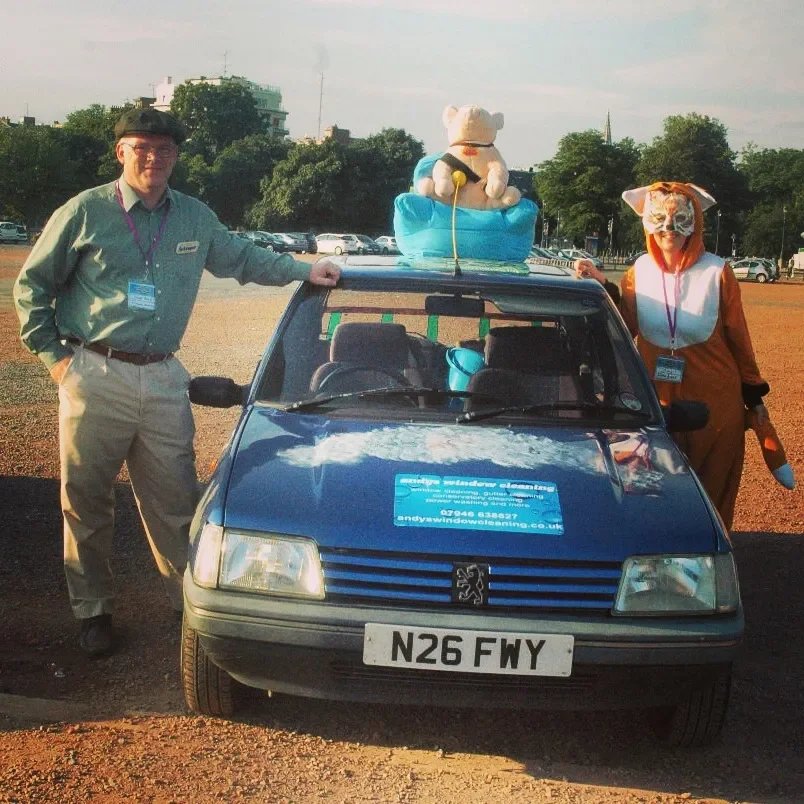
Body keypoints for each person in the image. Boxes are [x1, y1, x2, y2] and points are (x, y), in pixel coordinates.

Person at [13, 108, 340, 657]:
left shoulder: (192, 216)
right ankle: (93, 609)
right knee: (86, 499)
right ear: (121, 152)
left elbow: (241, 258)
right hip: (95, 371)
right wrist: (58, 361)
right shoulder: (86, 211)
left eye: (164, 149)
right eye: (142, 147)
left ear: (176, 156)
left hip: (164, 375)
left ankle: (188, 606)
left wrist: (303, 270)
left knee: (176, 501)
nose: (154, 158)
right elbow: (32, 288)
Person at [574, 181, 769, 531]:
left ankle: (712, 553)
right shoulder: (638, 271)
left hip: (715, 404)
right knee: (653, 486)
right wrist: (601, 284)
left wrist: (753, 393)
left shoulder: (718, 272)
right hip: (655, 402)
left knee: (711, 494)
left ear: (695, 223)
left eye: (680, 220)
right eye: (660, 219)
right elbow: (623, 324)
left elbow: (739, 337)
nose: (669, 228)